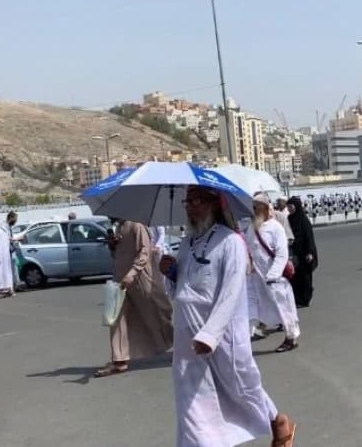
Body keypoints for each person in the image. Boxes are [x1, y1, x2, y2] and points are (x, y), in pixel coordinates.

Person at [160, 185, 296, 447]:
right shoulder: (187, 244)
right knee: (192, 401)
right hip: (187, 335)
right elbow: (185, 287)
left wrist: (210, 335)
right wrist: (172, 273)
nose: (190, 206)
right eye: (187, 202)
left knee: (241, 387)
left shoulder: (231, 241)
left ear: (214, 204)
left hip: (221, 337)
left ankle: (276, 420)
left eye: (197, 201)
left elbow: (231, 292)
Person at [95, 220, 173, 377]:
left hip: (139, 280)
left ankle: (181, 343)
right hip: (120, 280)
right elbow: (120, 254)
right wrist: (113, 246)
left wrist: (132, 273)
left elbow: (145, 251)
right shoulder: (119, 227)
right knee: (116, 318)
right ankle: (119, 360)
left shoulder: (136, 225)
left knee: (157, 314)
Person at [246, 192, 300, 353]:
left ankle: (291, 337)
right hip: (256, 276)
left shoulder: (276, 228)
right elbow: (249, 249)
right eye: (253, 207)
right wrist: (250, 265)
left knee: (283, 308)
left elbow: (282, 254)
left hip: (274, 279)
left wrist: (273, 275)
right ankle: (249, 333)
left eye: (256, 207)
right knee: (253, 305)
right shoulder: (251, 227)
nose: (254, 210)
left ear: (264, 208)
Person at [287, 196, 318, 307]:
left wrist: (310, 252)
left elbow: (309, 237)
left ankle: (305, 299)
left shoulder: (304, 220)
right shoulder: (289, 219)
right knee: (295, 276)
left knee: (305, 276)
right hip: (294, 252)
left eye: (291, 206)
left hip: (304, 252)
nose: (290, 209)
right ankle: (297, 299)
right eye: (288, 207)